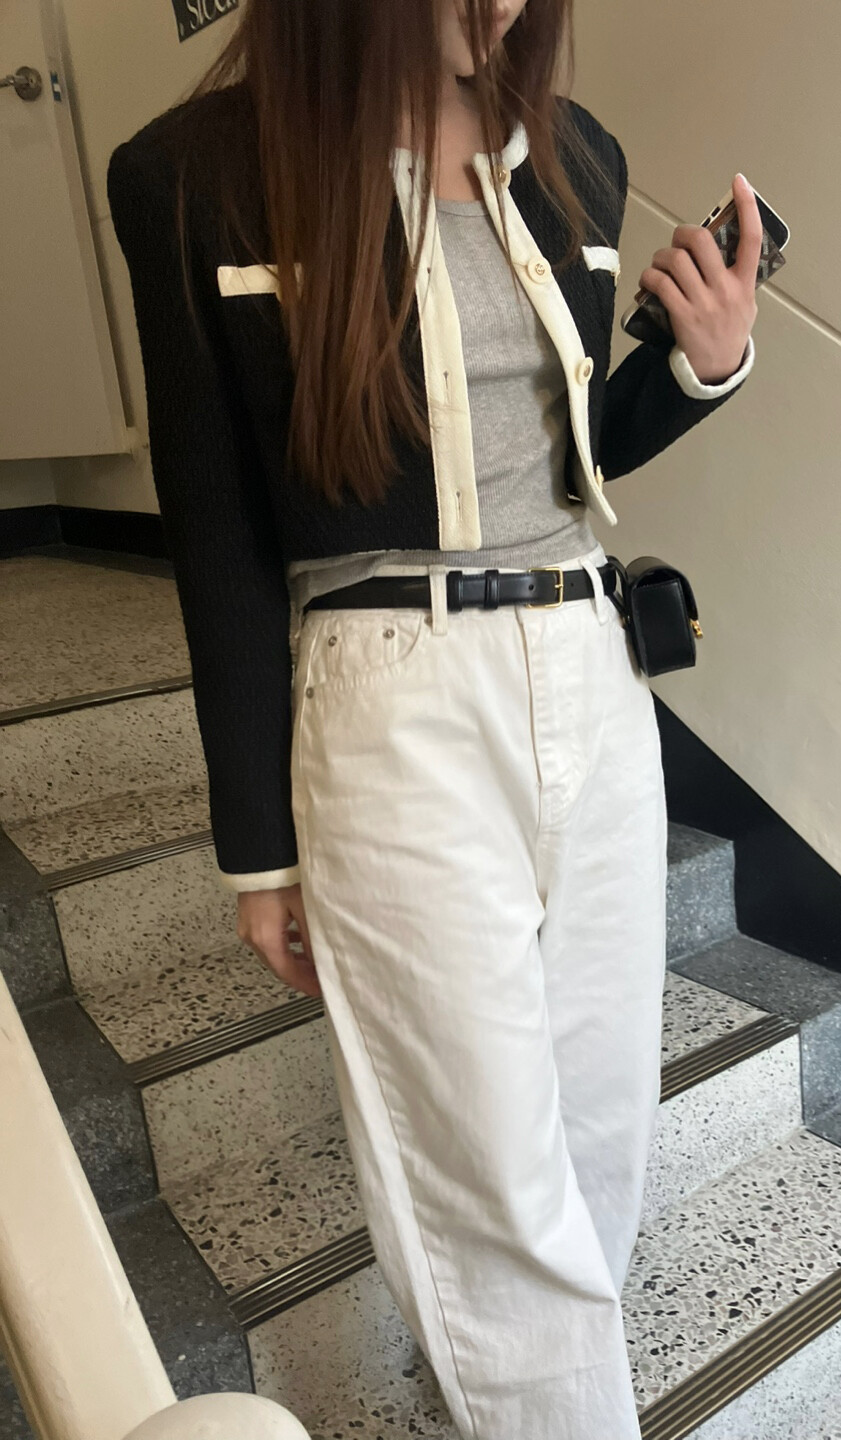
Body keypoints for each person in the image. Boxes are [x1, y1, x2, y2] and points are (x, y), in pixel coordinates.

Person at [107, 1, 760, 1434]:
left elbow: (569, 444)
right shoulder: (195, 177)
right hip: (393, 693)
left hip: (592, 669)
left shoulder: (577, 152)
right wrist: (259, 848)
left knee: (598, 1131)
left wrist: (700, 364)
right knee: (485, 1184)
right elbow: (218, 531)